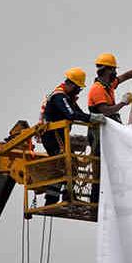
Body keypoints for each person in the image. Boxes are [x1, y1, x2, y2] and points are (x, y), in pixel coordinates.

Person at [39, 68, 103, 204]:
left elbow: (79, 113)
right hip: (52, 136)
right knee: (63, 165)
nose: (79, 91)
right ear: (72, 85)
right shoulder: (59, 97)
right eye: (78, 89)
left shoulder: (68, 97)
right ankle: (52, 199)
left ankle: (67, 195)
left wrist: (92, 119)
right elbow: (72, 115)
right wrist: (92, 117)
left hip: (59, 137)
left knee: (69, 165)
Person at [87, 53, 132, 123]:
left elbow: (125, 76)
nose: (116, 73)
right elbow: (106, 112)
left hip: (109, 128)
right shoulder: (97, 89)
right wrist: (123, 103)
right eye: (114, 70)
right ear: (107, 70)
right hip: (101, 131)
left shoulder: (109, 85)